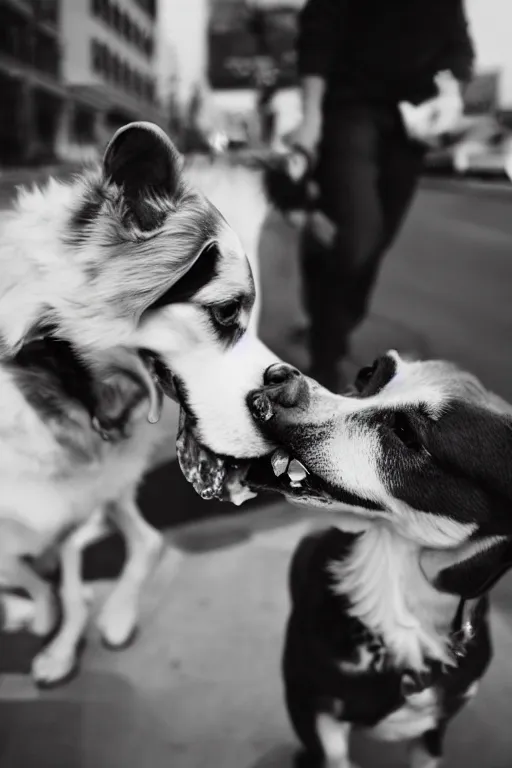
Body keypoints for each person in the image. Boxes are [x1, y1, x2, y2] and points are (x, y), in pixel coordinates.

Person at [287, 0, 475, 392]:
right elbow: (318, 34)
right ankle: (326, 356)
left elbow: (459, 47)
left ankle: (334, 311)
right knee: (358, 236)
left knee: (376, 244)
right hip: (350, 110)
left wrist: (452, 92)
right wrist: (311, 118)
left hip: (412, 125)